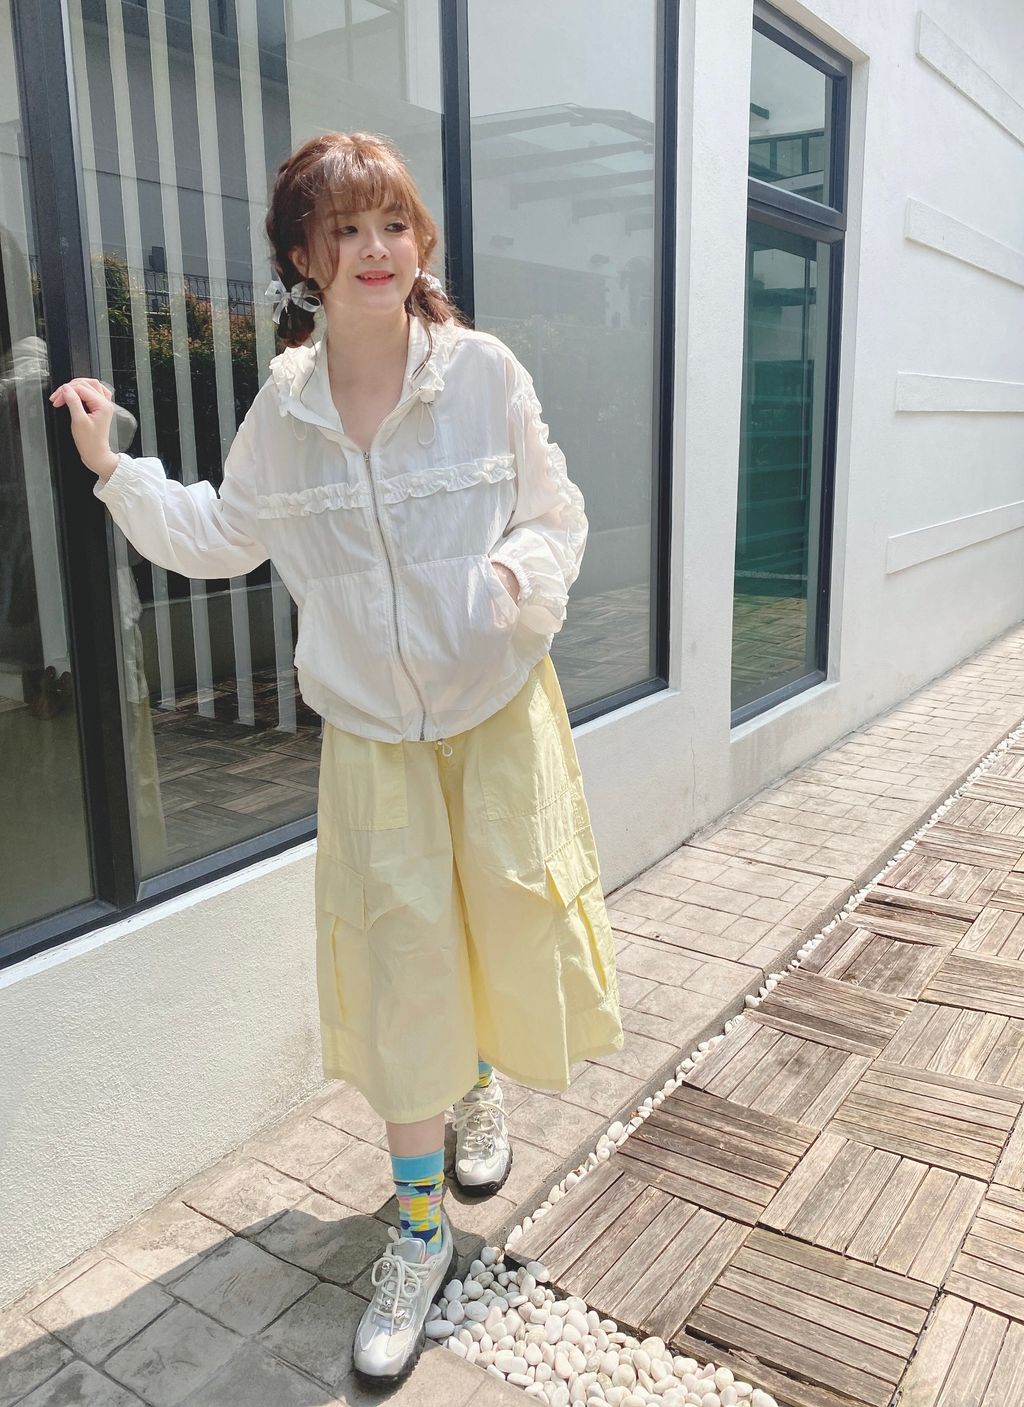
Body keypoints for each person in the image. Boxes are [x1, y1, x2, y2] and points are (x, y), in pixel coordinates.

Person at [49, 130, 623, 1383]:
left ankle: (476, 1084)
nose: (374, 249)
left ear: (419, 241)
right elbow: (221, 533)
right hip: (372, 741)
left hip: (495, 717)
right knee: (400, 965)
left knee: (495, 923)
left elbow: (556, 515)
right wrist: (113, 470)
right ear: (304, 258)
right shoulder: (289, 409)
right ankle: (418, 1231)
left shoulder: (482, 373)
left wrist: (509, 577)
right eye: (345, 230)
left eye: (392, 224)